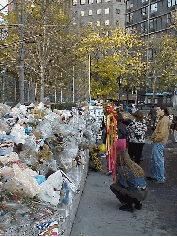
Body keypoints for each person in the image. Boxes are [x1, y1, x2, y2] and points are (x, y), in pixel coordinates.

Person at [150, 104, 171, 184]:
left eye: (158, 110)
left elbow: (162, 133)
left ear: (163, 110)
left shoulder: (164, 119)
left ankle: (160, 177)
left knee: (158, 159)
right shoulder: (163, 118)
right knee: (156, 159)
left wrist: (155, 139)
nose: (157, 111)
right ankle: (157, 176)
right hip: (158, 141)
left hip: (159, 142)